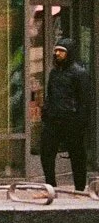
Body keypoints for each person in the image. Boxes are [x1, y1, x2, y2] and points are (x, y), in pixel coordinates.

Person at [39, 39, 92, 192]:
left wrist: (81, 122)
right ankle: (51, 186)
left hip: (72, 121)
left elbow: (85, 101)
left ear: (69, 53)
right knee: (46, 152)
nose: (57, 54)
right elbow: (50, 95)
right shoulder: (54, 73)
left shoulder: (79, 73)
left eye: (61, 51)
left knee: (77, 156)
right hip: (53, 120)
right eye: (56, 50)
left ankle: (80, 188)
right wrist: (46, 112)